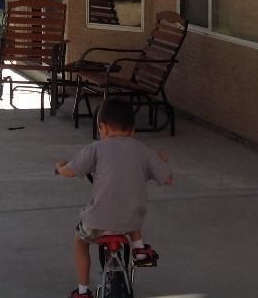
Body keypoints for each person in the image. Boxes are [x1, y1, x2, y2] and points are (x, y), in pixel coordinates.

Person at [53, 97, 173, 298]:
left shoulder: (96, 148)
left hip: (97, 222)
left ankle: (83, 291)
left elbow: (69, 172)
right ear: (133, 130)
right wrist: (159, 161)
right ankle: (139, 249)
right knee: (131, 202)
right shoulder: (144, 150)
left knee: (79, 241)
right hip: (131, 220)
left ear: (103, 128)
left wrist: (59, 167)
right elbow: (167, 179)